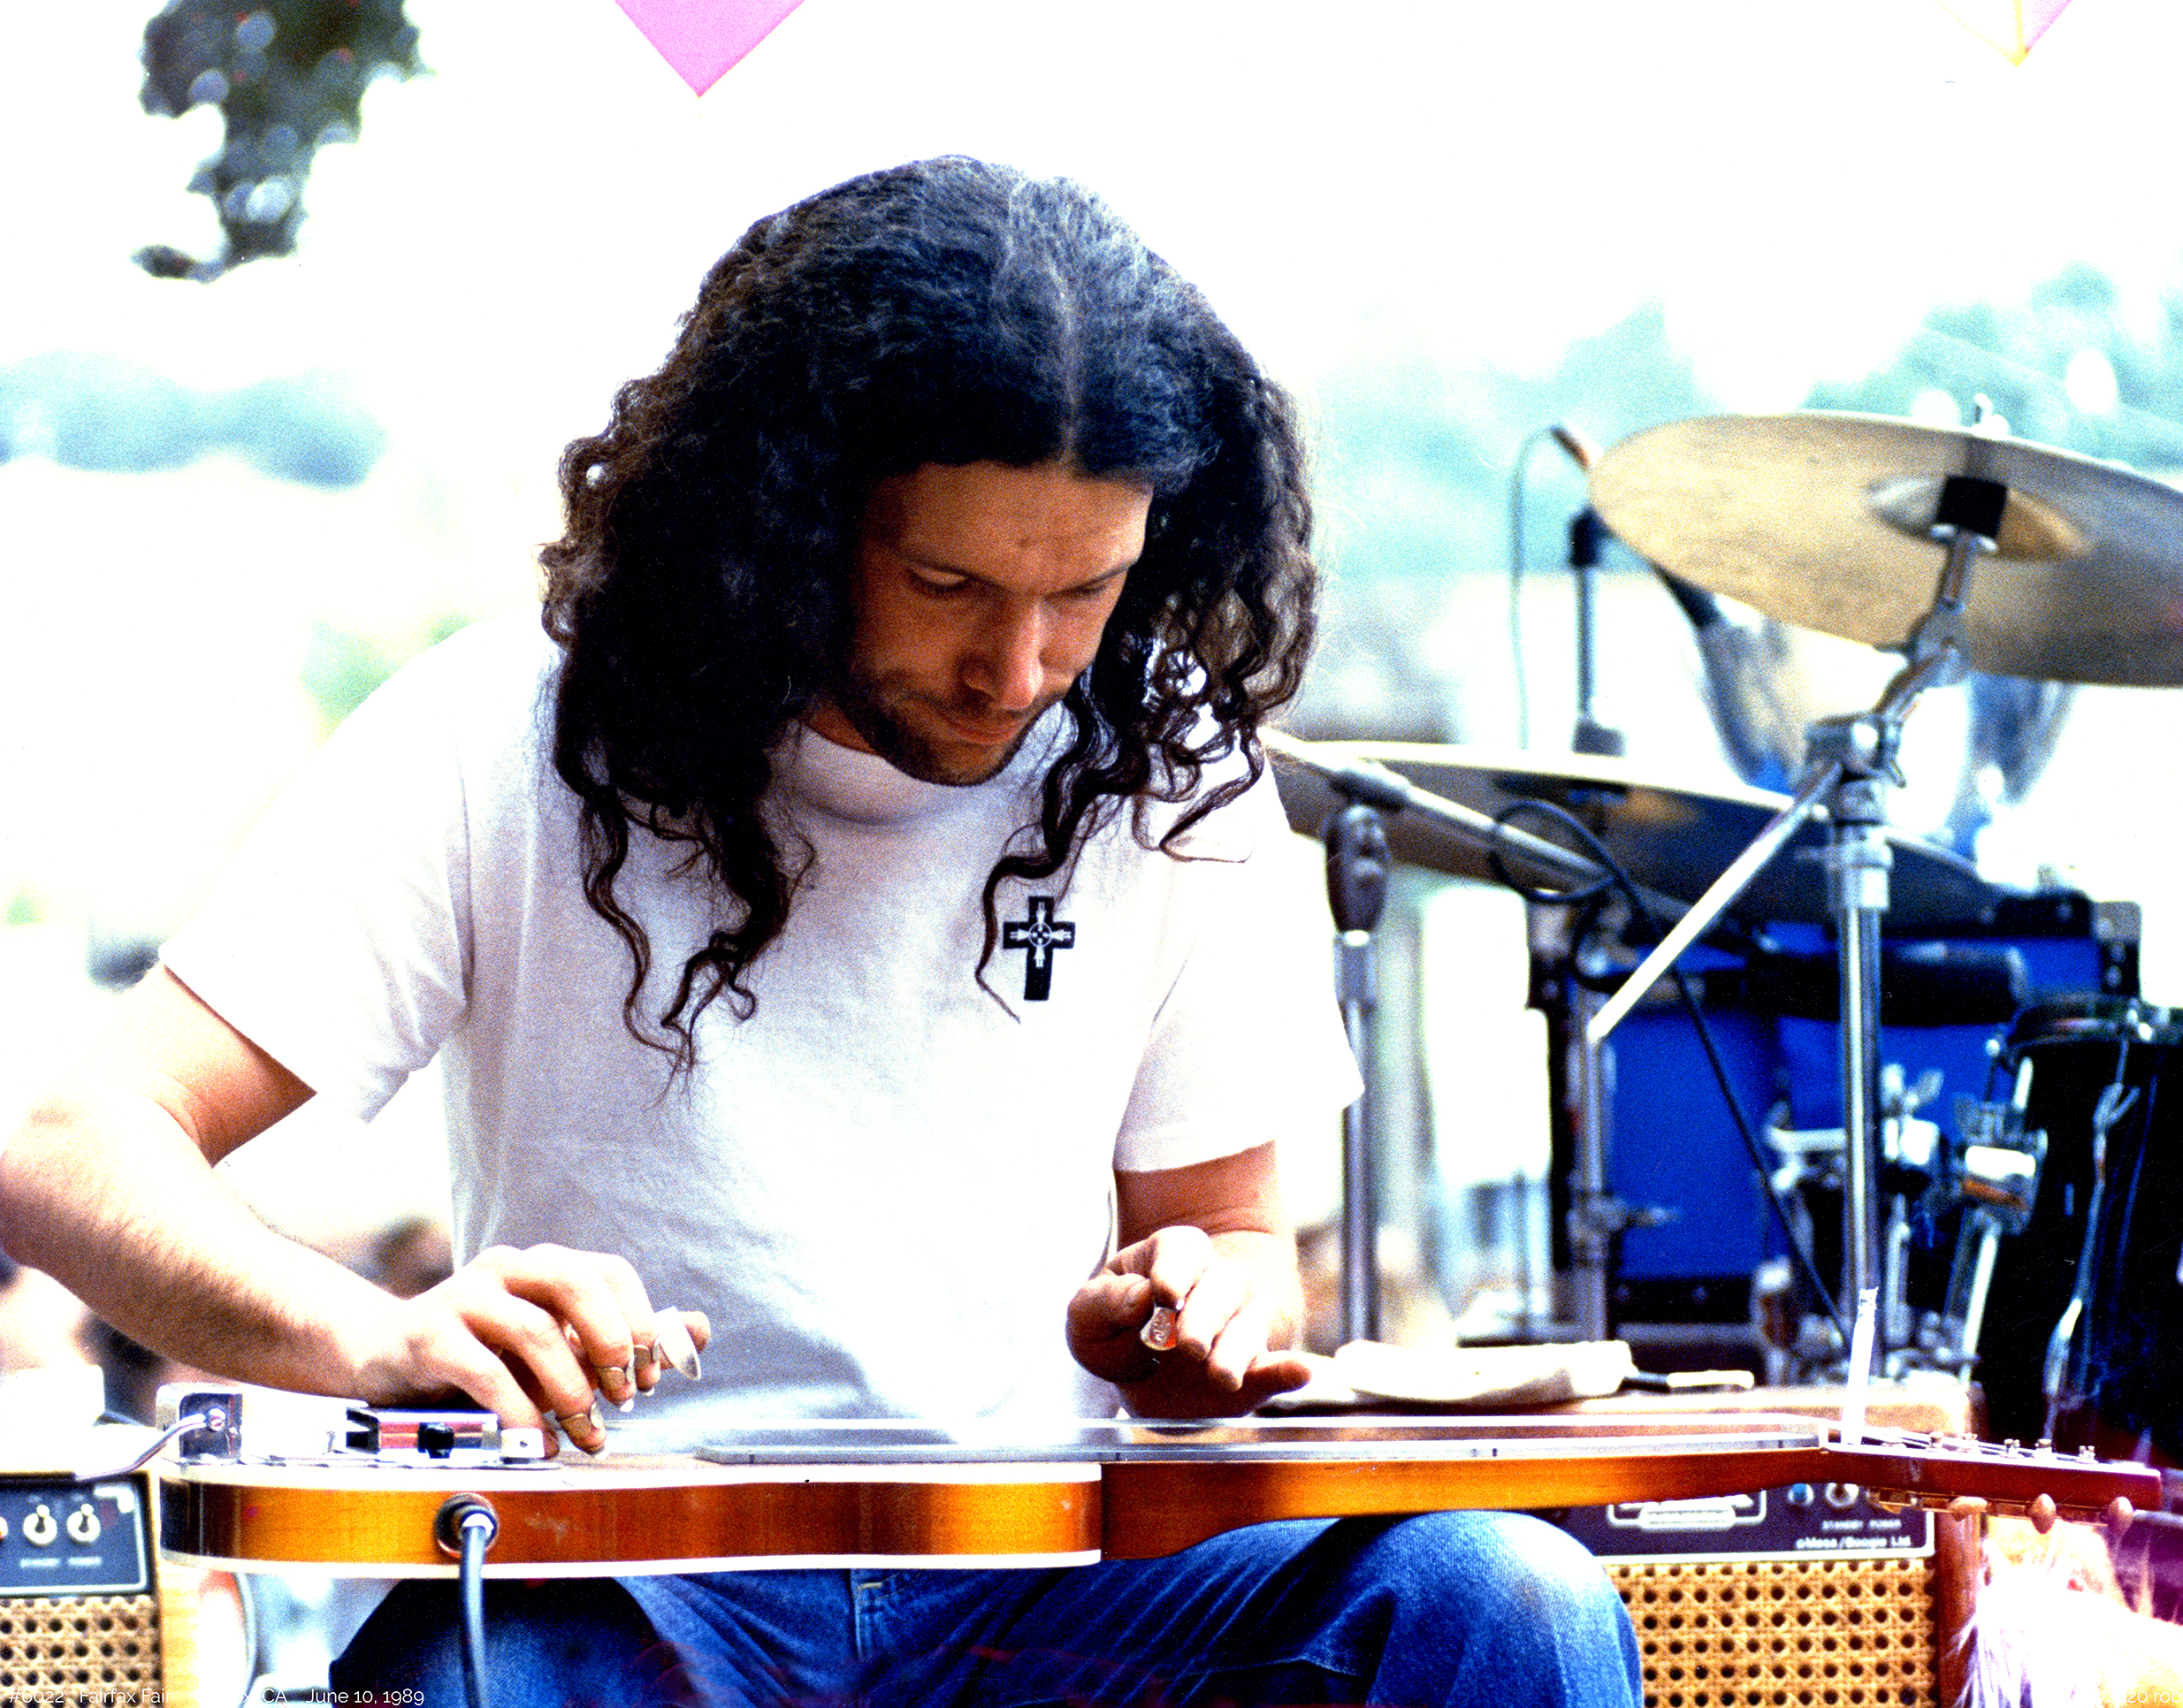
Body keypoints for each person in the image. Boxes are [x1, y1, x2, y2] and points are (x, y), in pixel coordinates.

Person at [0, 157, 1641, 1706]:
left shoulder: (1166, 762)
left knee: (1505, 1603)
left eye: (1084, 591)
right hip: (631, 1568)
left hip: (1053, 1575)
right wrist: (367, 1335)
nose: (1020, 669)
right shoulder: (507, 732)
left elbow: (1238, 1238)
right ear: (785, 517)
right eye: (949, 584)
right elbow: (66, 1147)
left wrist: (1192, 1316)